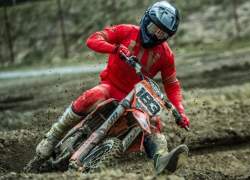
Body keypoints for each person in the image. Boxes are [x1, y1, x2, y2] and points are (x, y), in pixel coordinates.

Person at [35, 1, 190, 174]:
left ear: (168, 36)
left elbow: (171, 83)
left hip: (137, 97)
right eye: (154, 28)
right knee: (94, 95)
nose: (155, 35)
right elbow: (93, 39)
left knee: (153, 122)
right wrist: (115, 49)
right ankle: (53, 136)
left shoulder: (166, 54)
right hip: (111, 87)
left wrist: (180, 111)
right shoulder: (126, 31)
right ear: (146, 20)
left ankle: (161, 159)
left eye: (162, 34)